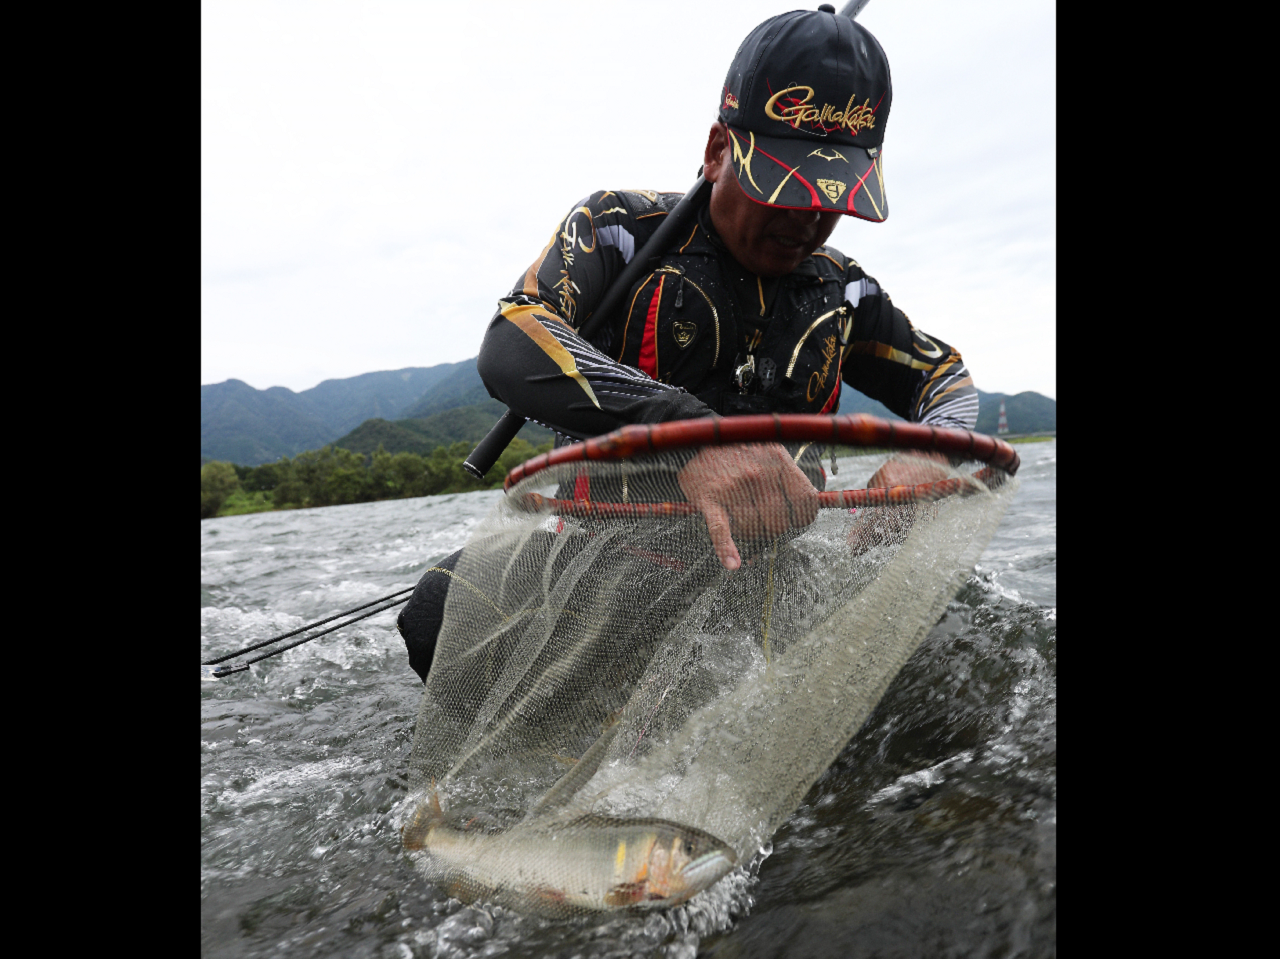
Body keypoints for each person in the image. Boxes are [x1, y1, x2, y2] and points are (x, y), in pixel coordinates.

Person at [398, 6, 978, 683]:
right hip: (601, 562)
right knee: (438, 608)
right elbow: (513, 339)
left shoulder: (846, 293)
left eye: (831, 197)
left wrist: (932, 454)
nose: (810, 222)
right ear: (716, 150)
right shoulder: (618, 230)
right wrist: (691, 434)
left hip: (765, 579)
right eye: (784, 190)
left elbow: (944, 377)